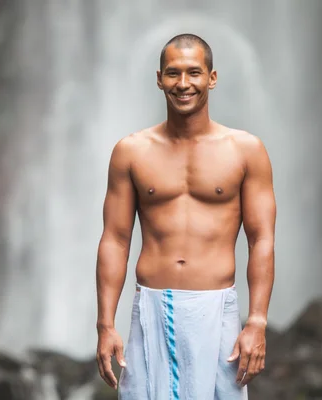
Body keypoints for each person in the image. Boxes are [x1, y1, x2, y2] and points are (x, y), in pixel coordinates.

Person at [95, 33, 276, 399]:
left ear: (211, 77)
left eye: (193, 73)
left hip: (217, 307)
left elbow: (262, 239)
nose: (183, 84)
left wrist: (256, 321)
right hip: (150, 307)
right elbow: (115, 239)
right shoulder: (131, 152)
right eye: (173, 73)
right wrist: (105, 324)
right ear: (159, 78)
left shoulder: (246, 151)